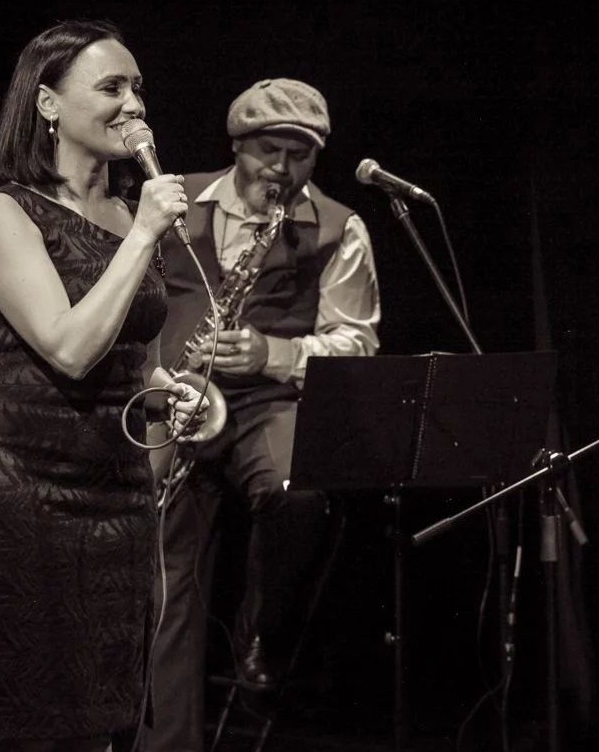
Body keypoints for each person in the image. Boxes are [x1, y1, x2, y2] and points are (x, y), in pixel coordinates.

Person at [0, 19, 206, 751]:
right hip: (31, 489)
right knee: (43, 712)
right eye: (111, 87)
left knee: (113, 706)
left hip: (121, 492)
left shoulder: (131, 213)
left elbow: (135, 358)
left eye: (138, 88)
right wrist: (144, 235)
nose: (134, 105)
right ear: (47, 104)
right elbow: (68, 348)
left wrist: (169, 392)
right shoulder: (3, 213)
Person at [146, 78, 381, 751]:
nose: (281, 168)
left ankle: (260, 632)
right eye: (267, 151)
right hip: (176, 399)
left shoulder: (339, 226)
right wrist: (158, 379)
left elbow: (357, 342)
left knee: (296, 491)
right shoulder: (175, 201)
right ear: (237, 145)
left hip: (268, 401)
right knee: (166, 586)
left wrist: (271, 353)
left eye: (299, 156)